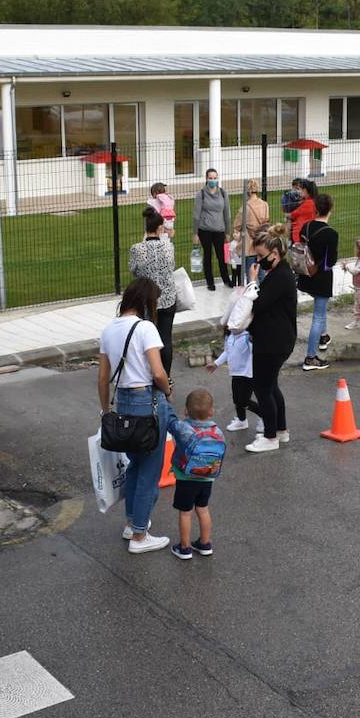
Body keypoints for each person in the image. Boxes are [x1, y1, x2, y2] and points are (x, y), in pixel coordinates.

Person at [97, 278, 174, 553]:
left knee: (135, 465)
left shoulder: (108, 330)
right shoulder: (146, 328)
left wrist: (106, 411)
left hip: (124, 404)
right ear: (145, 302)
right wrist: (168, 390)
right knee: (150, 470)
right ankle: (140, 535)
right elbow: (157, 371)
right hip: (148, 400)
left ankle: (132, 523)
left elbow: (103, 377)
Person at [245, 225, 297, 454]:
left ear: (274, 254)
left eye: (260, 256)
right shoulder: (279, 273)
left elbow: (258, 303)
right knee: (271, 386)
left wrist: (252, 281)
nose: (257, 260)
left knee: (262, 388)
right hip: (275, 339)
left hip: (273, 342)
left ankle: (270, 435)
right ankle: (280, 430)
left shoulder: (281, 277)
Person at [166, 388, 226, 560]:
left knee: (185, 512)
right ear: (211, 411)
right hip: (207, 477)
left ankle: (184, 547)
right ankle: (205, 543)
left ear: (186, 411)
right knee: (203, 509)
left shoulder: (183, 428)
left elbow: (171, 424)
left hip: (185, 478)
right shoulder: (218, 432)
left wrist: (167, 406)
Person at [128, 209, 178, 375]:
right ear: (160, 228)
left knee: (148, 339)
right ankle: (166, 376)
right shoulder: (168, 247)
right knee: (166, 338)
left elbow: (133, 270)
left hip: (147, 300)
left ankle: (149, 373)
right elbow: (171, 266)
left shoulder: (137, 249)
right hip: (168, 298)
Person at [297, 193, 338, 371]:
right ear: (330, 209)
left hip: (306, 275)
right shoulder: (331, 234)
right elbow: (331, 261)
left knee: (319, 312)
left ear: (315, 209)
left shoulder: (305, 227)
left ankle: (323, 336)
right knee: (318, 316)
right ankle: (311, 357)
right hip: (322, 278)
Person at [207, 326, 260, 433]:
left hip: (248, 375)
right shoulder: (229, 336)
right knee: (237, 400)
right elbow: (227, 352)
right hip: (235, 373)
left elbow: (255, 351)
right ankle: (242, 421)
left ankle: (264, 416)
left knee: (244, 401)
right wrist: (216, 364)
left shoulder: (247, 337)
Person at [192, 169, 234, 291]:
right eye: (210, 178)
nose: (212, 180)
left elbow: (227, 213)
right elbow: (196, 215)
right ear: (206, 179)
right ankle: (210, 282)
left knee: (222, 256)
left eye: (214, 178)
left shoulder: (223, 193)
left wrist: (228, 231)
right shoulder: (201, 194)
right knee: (208, 255)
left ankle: (226, 279)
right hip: (204, 230)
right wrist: (195, 233)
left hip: (220, 230)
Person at [238, 178, 270, 283]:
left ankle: (251, 294)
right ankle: (263, 294)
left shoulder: (245, 207)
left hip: (250, 244)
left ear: (247, 191)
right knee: (262, 274)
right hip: (262, 241)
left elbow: (237, 225)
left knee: (250, 274)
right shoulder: (265, 205)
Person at [287, 178, 317, 243]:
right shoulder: (311, 201)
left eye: (300, 189)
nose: (299, 192)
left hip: (299, 235)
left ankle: (289, 241)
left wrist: (288, 213)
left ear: (305, 190)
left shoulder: (308, 203)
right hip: (306, 233)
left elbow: (292, 215)